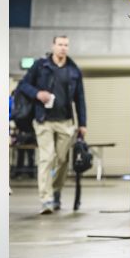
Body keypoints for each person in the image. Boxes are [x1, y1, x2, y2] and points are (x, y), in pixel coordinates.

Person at [15, 35, 87, 214]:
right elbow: (23, 85)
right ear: (53, 46)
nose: (63, 48)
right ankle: (46, 200)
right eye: (60, 44)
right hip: (43, 120)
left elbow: (80, 99)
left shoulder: (73, 70)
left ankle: (56, 192)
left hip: (65, 121)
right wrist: (37, 93)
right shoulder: (40, 66)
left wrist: (83, 123)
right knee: (46, 158)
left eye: (66, 45)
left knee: (62, 160)